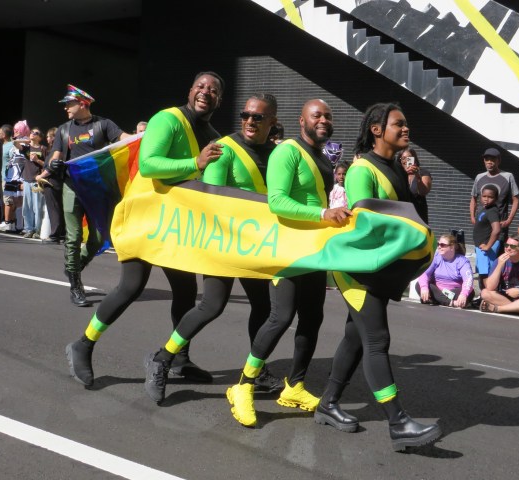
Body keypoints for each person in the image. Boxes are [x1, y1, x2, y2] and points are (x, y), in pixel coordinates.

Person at [65, 72, 225, 388]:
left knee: (186, 291)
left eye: (214, 90)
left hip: (176, 224)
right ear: (190, 90)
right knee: (132, 286)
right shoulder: (168, 119)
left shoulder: (212, 133)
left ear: (219, 99)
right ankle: (83, 345)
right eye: (201, 86)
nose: (206, 92)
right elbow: (150, 165)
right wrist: (196, 161)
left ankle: (180, 357)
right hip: (144, 216)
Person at [314, 103, 441, 451]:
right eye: (399, 124)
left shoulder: (397, 167)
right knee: (377, 339)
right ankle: (398, 422)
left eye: (405, 124)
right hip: (356, 269)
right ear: (376, 129)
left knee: (355, 338)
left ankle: (327, 404)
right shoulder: (361, 171)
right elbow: (365, 227)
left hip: (378, 268)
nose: (406, 129)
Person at [143, 93, 283, 404]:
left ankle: (256, 370)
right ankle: (162, 359)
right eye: (245, 115)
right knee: (212, 305)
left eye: (257, 117)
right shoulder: (225, 149)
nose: (248, 121)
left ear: (271, 122)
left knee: (263, 307)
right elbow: (212, 197)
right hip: (222, 241)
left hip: (255, 244)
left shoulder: (275, 153)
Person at [227, 99, 352, 428]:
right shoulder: (288, 152)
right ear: (302, 121)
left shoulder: (323, 157)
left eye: (327, 115)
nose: (323, 119)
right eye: (316, 115)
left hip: (315, 250)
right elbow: (277, 201)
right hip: (288, 250)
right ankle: (242, 385)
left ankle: (294, 386)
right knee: (280, 317)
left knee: (312, 318)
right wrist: (323, 214)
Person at [44, 84, 130, 306]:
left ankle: (75, 266)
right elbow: (56, 153)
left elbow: (126, 139)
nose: (66, 109)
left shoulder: (103, 124)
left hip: (98, 189)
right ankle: (75, 285)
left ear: (82, 104)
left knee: (100, 238)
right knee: (73, 238)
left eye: (69, 105)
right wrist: (52, 163)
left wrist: (147, 135)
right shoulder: (64, 129)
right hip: (72, 187)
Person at [470, 148, 519, 249]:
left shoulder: (508, 176)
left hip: (499, 224)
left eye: (492, 159)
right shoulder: (479, 177)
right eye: (486, 159)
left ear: (499, 160)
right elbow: (473, 198)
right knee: (481, 253)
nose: (489, 162)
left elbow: (516, 199)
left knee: (497, 254)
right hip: (482, 225)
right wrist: (472, 217)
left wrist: (509, 219)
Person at [480, 234, 519, 317]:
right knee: (485, 293)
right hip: (505, 298)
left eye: (513, 246)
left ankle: (498, 309)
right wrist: (500, 265)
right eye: (506, 245)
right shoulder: (499, 260)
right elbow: (490, 287)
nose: (508, 248)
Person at [415, 233, 474, 307]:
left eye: (442, 245)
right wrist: (424, 288)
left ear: (452, 247)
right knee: (418, 285)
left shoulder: (462, 261)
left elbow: (468, 280)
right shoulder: (436, 257)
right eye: (438, 244)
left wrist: (463, 294)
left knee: (470, 293)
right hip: (437, 290)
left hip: (453, 292)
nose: (439, 247)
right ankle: (451, 303)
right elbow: (425, 274)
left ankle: (436, 300)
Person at [0, 121, 30, 233]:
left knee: (19, 201)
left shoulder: (25, 142)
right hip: (11, 174)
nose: (15, 131)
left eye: (17, 129)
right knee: (15, 200)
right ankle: (16, 224)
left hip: (19, 175)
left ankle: (20, 226)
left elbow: (17, 143)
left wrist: (17, 139)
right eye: (15, 129)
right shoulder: (17, 142)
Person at [37, 127, 65, 244]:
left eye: (49, 136)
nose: (47, 139)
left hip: (52, 181)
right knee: (57, 208)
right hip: (54, 181)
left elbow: (51, 167)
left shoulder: (57, 151)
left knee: (54, 209)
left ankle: (55, 236)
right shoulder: (54, 150)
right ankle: (61, 234)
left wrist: (40, 176)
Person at [19, 127, 46, 238]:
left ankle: (37, 229)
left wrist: (37, 160)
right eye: (31, 132)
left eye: (35, 133)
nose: (32, 134)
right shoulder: (26, 147)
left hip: (37, 180)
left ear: (40, 137)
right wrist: (25, 140)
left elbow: (47, 165)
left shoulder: (43, 148)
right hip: (26, 180)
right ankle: (28, 229)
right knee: (27, 206)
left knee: (37, 207)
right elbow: (14, 143)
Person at [473, 184, 501, 290]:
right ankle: (484, 296)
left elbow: (497, 229)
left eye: (490, 197)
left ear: (496, 198)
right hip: (481, 247)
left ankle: (489, 296)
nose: (486, 199)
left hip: (485, 248)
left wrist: (488, 246)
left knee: (486, 273)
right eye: (484, 196)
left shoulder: (492, 211)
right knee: (482, 272)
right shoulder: (485, 209)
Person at [398, 147, 432, 223]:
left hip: (418, 216)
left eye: (409, 158)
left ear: (414, 159)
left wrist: (417, 176)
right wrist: (404, 174)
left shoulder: (423, 172)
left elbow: (423, 191)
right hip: (402, 216)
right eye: (403, 158)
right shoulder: (398, 173)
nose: (406, 161)